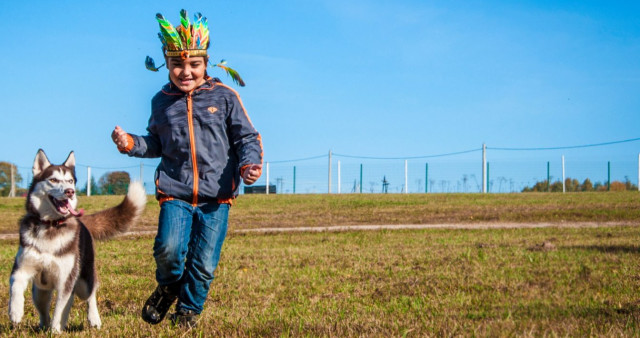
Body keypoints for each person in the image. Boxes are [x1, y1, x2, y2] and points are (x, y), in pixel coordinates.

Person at [111, 9, 263, 328]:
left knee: (204, 262)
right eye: (177, 64)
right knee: (168, 248)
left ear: (206, 64)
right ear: (166, 65)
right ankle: (168, 287)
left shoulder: (224, 97)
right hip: (175, 191)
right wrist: (129, 143)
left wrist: (250, 162)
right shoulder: (160, 102)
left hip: (216, 197)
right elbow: (156, 142)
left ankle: (188, 312)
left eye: (193, 64)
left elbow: (246, 136)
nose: (185, 72)